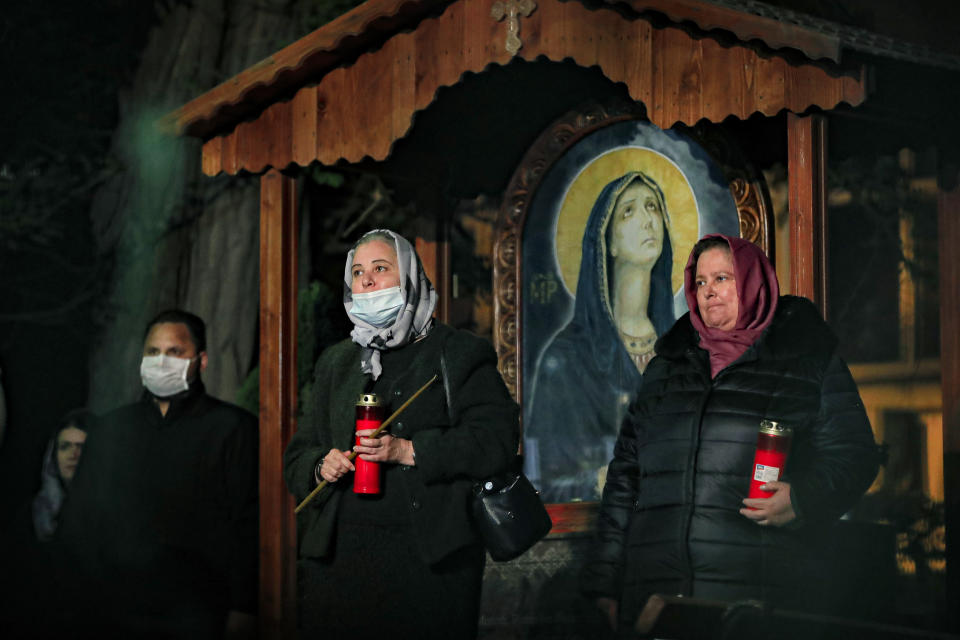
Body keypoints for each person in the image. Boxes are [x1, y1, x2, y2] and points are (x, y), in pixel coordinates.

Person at [581, 234, 879, 633]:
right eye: (700, 282)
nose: (709, 292)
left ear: (754, 281)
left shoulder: (806, 358)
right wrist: (605, 584)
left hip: (755, 597)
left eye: (722, 278)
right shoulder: (666, 368)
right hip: (656, 595)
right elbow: (624, 478)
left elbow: (855, 454)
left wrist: (804, 498)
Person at [284, 229, 519, 639]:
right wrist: (322, 464)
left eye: (380, 268)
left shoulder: (457, 352)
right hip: (339, 565)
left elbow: (496, 441)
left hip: (429, 566)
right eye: (358, 273)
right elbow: (298, 454)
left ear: (410, 276)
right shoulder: (336, 362)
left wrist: (410, 450)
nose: (368, 282)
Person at [57, 309, 258, 638]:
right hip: (112, 605)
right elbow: (80, 514)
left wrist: (244, 606)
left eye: (174, 352)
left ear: (201, 361)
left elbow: (248, 525)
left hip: (198, 609)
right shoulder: (111, 428)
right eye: (152, 352)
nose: (161, 361)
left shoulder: (233, 429)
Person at [525, 171, 675, 503]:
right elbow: (544, 480)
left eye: (653, 207)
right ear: (608, 241)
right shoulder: (565, 357)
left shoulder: (681, 350)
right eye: (629, 211)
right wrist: (600, 479)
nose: (648, 220)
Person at [32, 409, 94, 541]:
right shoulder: (35, 516)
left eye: (81, 447)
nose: (73, 454)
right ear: (53, 455)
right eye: (65, 446)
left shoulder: (113, 512)